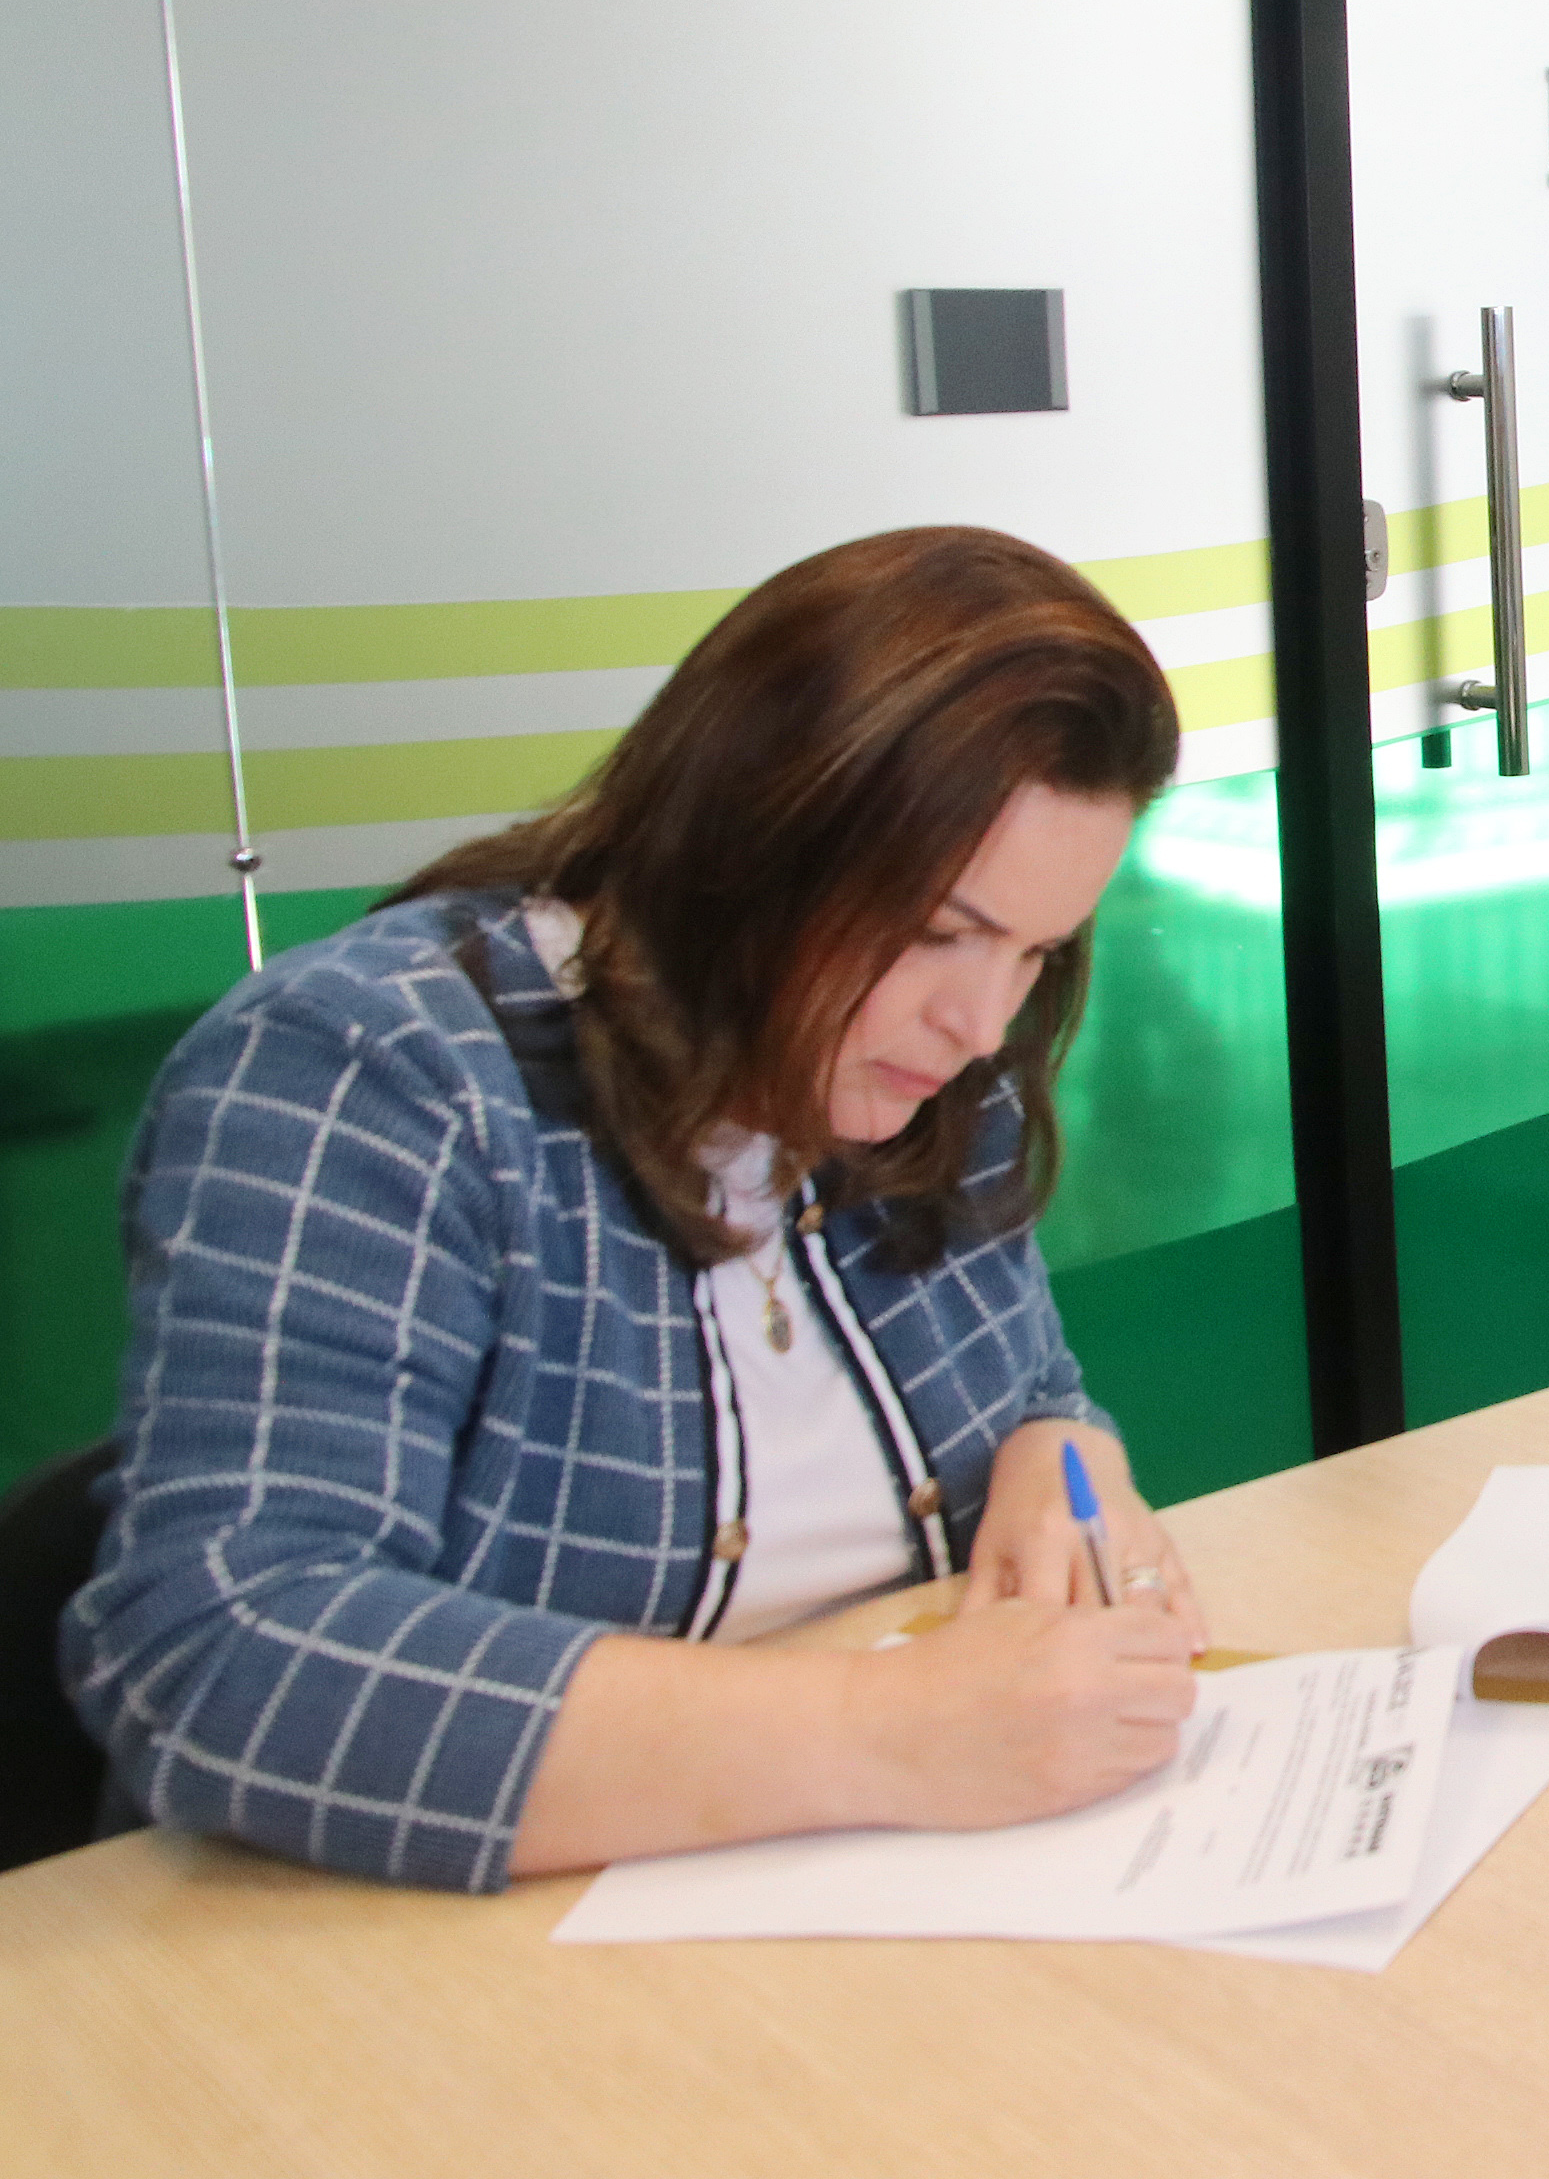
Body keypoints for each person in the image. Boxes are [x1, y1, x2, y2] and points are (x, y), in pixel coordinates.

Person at [65, 526, 1212, 1892]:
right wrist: (890, 1736)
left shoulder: (921, 1078)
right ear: (747, 838)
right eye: (936, 931)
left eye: (1035, 950)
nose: (979, 1020)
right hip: (408, 1967)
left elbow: (1037, 1388)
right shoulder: (367, 1073)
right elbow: (227, 1648)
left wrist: (1059, 1457)